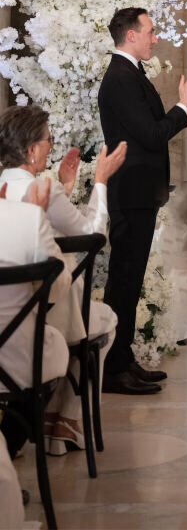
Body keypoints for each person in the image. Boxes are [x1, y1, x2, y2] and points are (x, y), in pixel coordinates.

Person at [98, 6, 187, 395]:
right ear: (130, 35)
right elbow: (150, 136)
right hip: (130, 192)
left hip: (139, 191)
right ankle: (113, 369)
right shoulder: (119, 78)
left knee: (130, 280)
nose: (155, 38)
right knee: (124, 279)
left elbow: (149, 132)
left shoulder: (131, 73)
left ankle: (123, 359)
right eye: (150, 31)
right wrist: (184, 107)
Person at [0, 104, 126, 453]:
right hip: (45, 311)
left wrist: (65, 187)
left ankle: (48, 422)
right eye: (48, 140)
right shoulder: (43, 188)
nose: (51, 146)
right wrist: (100, 182)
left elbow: (34, 227)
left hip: (7, 316)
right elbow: (92, 235)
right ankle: (66, 422)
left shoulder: (6, 189)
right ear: (31, 150)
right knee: (105, 320)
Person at [0, 180, 71, 464]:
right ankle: (9, 443)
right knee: (52, 352)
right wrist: (33, 217)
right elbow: (56, 288)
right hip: (17, 362)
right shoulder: (27, 218)